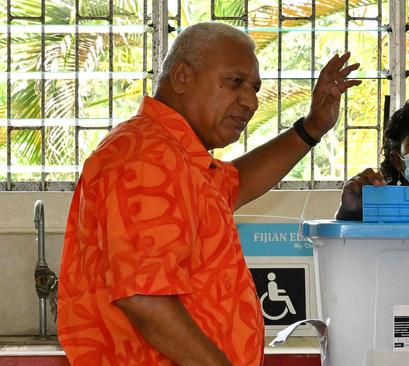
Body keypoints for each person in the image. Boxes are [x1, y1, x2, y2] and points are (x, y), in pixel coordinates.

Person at [57, 22, 361, 366]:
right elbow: (145, 297)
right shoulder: (145, 156)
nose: (250, 101)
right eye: (234, 83)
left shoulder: (177, 155)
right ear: (182, 77)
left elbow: (238, 183)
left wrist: (311, 128)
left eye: (255, 88)